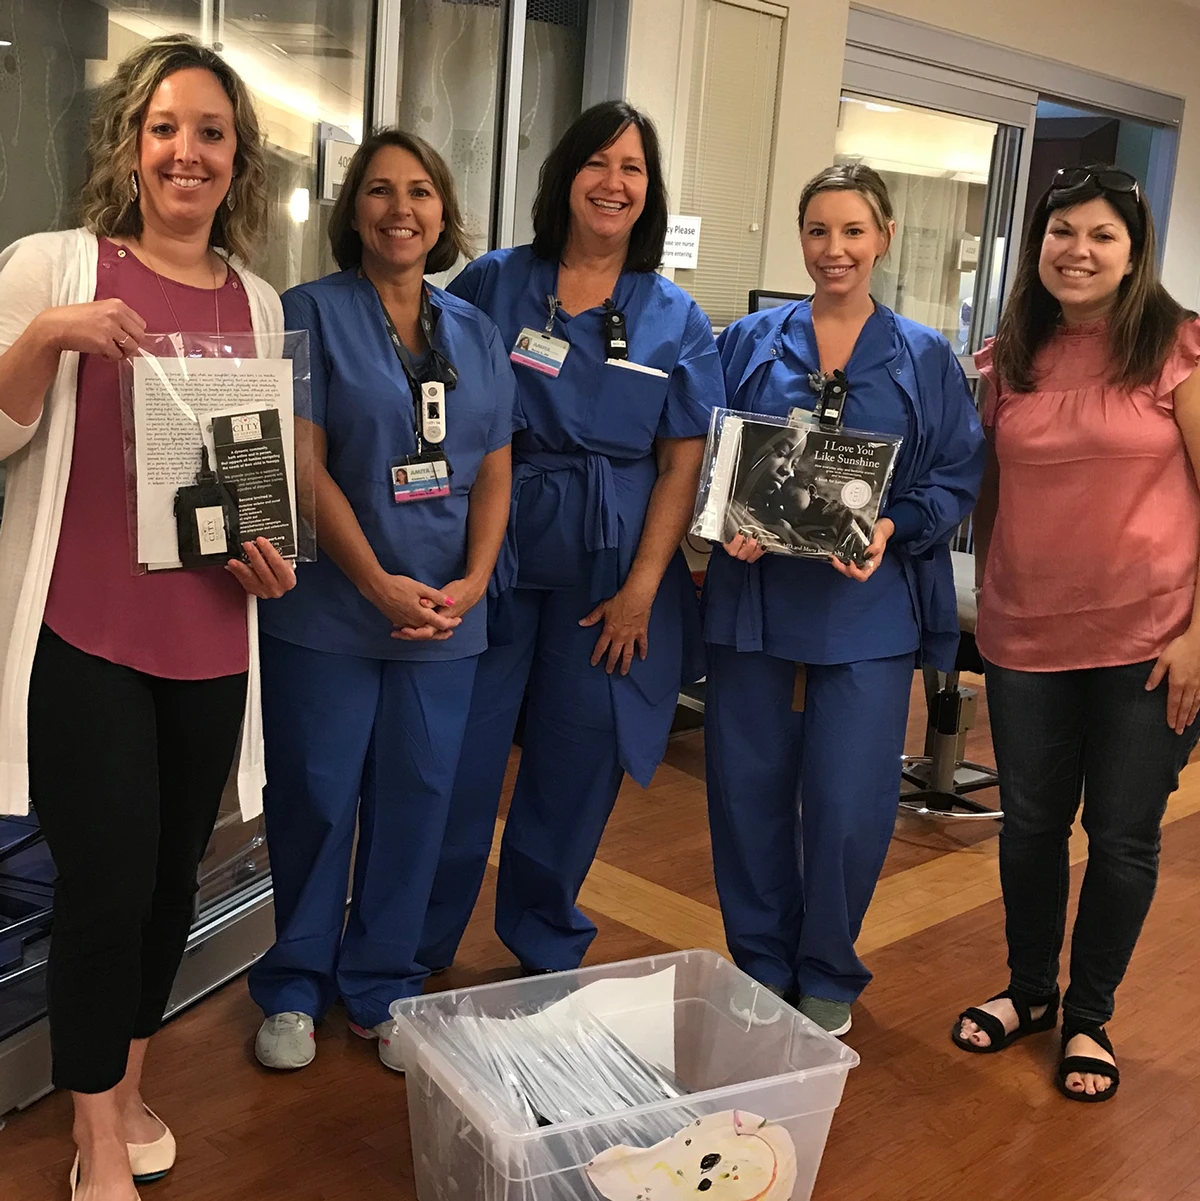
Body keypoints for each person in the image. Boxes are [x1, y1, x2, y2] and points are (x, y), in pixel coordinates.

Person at [0, 35, 293, 1201]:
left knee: (173, 880)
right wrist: (42, 340)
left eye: (211, 133)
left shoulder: (256, 303)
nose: (187, 151)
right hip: (85, 640)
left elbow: (249, 486)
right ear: (132, 143)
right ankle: (97, 1137)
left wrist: (268, 560)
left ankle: (122, 1084)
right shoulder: (53, 266)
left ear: (236, 161)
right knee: (106, 886)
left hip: (210, 641)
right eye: (166, 127)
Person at [417, 101, 723, 976]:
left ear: (649, 190)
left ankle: (543, 939)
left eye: (632, 168)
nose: (614, 182)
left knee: (575, 763)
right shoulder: (496, 282)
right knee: (459, 755)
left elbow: (680, 467)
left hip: (610, 574)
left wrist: (642, 590)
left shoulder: (676, 318)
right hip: (493, 557)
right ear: (564, 177)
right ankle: (417, 941)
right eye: (597, 162)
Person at [248, 129, 515, 1072]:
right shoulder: (308, 312)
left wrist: (476, 579)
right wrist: (373, 581)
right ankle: (292, 984)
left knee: (420, 800)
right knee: (317, 795)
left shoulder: (476, 332)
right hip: (330, 611)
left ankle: (383, 984)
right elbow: (301, 458)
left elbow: (492, 466)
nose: (400, 208)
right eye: (378, 191)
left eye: (420, 192)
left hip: (446, 612)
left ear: (444, 213)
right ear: (351, 209)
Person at [704, 164, 984, 1035]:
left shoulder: (924, 357)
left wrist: (896, 529)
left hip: (867, 606)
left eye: (853, 231)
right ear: (801, 238)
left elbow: (954, 474)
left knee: (848, 800)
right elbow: (712, 454)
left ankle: (826, 967)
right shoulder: (749, 341)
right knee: (745, 787)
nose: (835, 250)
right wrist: (727, 517)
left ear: (885, 238)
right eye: (819, 231)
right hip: (757, 594)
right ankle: (759, 960)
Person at [953, 165, 1200, 1102]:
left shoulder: (1178, 350)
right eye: (1063, 233)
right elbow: (981, 489)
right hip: (1025, 635)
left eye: (1102, 235)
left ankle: (1090, 1014)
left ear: (1135, 252)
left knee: (1125, 836)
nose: (1079, 251)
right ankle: (1029, 991)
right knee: (1030, 825)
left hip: (1151, 639)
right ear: (1038, 246)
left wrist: (1199, 638)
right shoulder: (1008, 355)